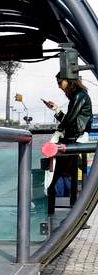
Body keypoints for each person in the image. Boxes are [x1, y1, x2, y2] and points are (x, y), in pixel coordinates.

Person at [44, 72, 93, 202]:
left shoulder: (79, 96)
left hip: (76, 137)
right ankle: (51, 198)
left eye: (60, 83)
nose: (59, 86)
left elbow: (70, 120)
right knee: (59, 169)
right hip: (74, 135)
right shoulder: (78, 96)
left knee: (58, 170)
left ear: (68, 80)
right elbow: (70, 119)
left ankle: (49, 198)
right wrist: (56, 110)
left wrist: (57, 132)